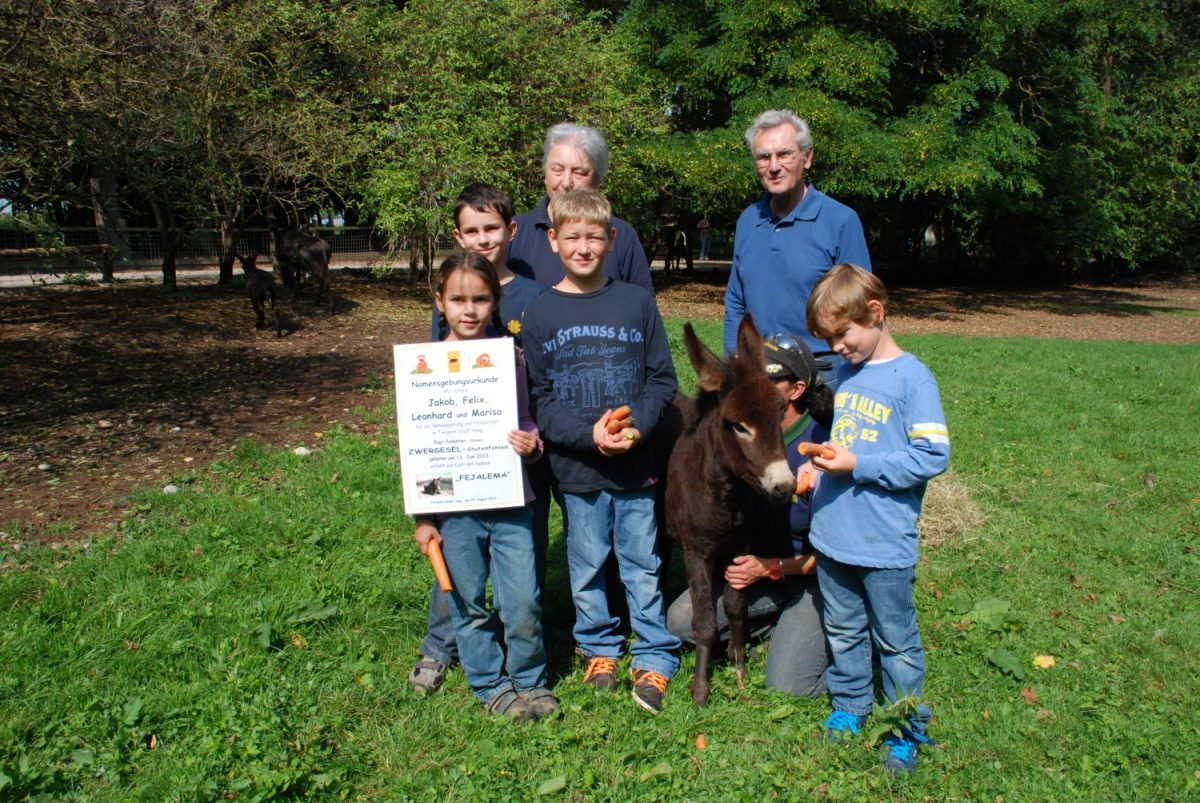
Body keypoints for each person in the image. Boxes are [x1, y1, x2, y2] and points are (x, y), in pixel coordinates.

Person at [521, 188, 680, 715]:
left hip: (635, 465)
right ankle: (599, 647)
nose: (584, 247)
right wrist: (588, 435)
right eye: (573, 237)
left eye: (594, 237)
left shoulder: (636, 302)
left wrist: (636, 427)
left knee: (642, 561)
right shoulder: (540, 313)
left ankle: (655, 652)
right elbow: (541, 400)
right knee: (587, 563)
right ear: (553, 240)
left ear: (612, 239)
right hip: (579, 468)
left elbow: (661, 379)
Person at [803, 264, 950, 775]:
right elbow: (849, 442)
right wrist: (819, 463)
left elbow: (932, 456)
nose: (838, 347)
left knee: (895, 638)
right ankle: (851, 705)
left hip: (883, 541)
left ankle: (906, 726)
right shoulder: (847, 375)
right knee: (843, 629)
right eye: (828, 338)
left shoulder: (913, 378)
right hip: (833, 533)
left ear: (876, 313)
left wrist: (857, 466)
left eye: (843, 334)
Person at [410, 183, 546, 696]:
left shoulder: (510, 356)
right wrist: (424, 516)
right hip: (455, 506)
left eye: (481, 300)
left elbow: (528, 416)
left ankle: (530, 680)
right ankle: (489, 685)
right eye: (459, 300)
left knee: (523, 598)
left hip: (511, 496)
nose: (469, 310)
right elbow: (420, 441)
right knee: (467, 598)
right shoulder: (424, 365)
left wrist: (530, 441)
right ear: (440, 302)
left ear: (496, 301)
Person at [666, 332, 833, 697]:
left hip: (809, 579)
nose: (755, 387)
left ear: (797, 389)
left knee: (788, 686)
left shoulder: (827, 445)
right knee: (679, 621)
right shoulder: (741, 439)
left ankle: (839, 641)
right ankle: (773, 627)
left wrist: (772, 567)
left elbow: (838, 555)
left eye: (771, 381)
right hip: (760, 575)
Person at [722, 109, 872, 371]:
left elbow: (861, 310)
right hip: (759, 370)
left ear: (807, 157)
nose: (774, 167)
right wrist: (735, 362)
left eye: (784, 154)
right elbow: (736, 302)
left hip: (824, 371)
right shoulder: (748, 221)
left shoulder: (840, 221)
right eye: (763, 157)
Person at [508, 123, 653, 293]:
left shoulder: (622, 236)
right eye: (557, 170)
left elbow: (643, 309)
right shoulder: (514, 232)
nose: (566, 182)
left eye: (579, 173)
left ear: (597, 180)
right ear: (544, 173)